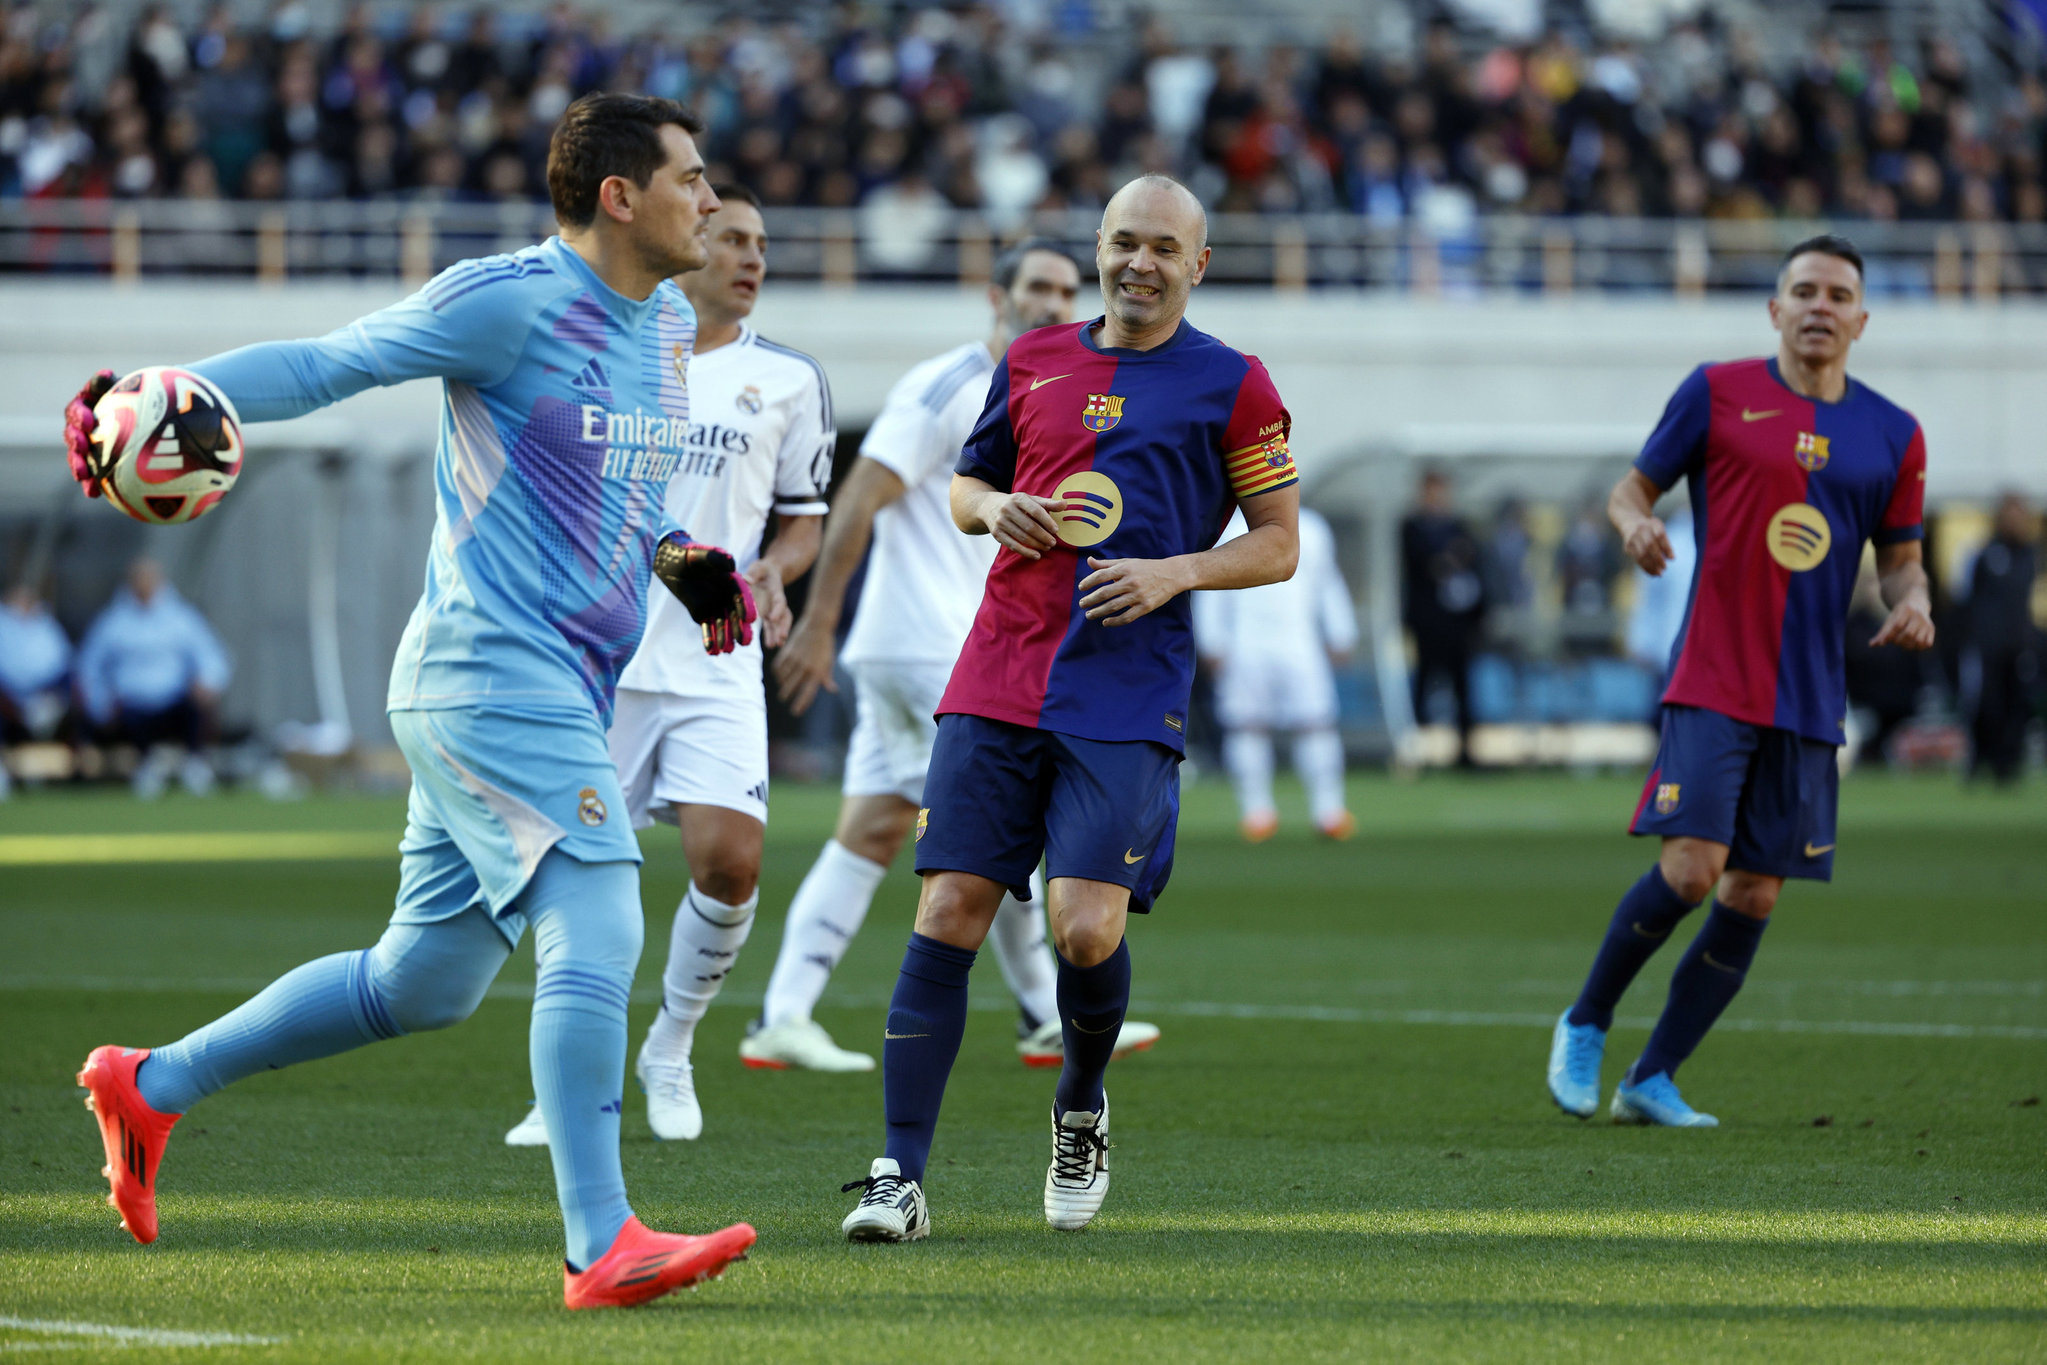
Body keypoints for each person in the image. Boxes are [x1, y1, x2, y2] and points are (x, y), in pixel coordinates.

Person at [63, 93, 760, 1309]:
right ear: (618, 195)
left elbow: (623, 493)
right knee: (599, 900)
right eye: (692, 179)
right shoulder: (507, 299)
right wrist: (152, 390)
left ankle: (150, 1084)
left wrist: (693, 571)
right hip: (492, 669)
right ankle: (601, 1239)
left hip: (542, 687)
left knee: (421, 983)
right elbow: (330, 364)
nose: (711, 201)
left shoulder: (657, 328)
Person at [838, 175, 1299, 1242]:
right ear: (1100, 248)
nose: (1140, 263)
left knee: (1083, 931)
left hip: (1126, 693)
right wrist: (996, 507)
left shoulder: (1233, 382)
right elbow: (963, 488)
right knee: (949, 907)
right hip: (997, 673)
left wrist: (1174, 574)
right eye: (1123, 243)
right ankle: (897, 1176)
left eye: (1162, 249)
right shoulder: (1033, 358)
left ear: (1199, 265)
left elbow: (1278, 544)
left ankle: (1080, 1105)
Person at [1547, 235, 1934, 1128]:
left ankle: (1653, 1077)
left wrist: (1914, 603)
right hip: (1714, 673)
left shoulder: (1893, 434)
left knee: (1753, 892)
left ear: (1860, 320)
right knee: (1689, 871)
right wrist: (1634, 527)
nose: (1818, 307)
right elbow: (1628, 491)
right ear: (1774, 308)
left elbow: (1903, 563)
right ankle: (1585, 1018)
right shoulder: (1717, 393)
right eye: (1802, 290)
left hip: (1807, 694)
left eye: (1837, 295)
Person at [761, 238, 1160, 1072]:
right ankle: (1044, 1013)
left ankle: (782, 1015)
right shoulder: (950, 382)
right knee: (992, 832)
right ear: (996, 296)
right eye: (1036, 288)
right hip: (929, 647)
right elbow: (861, 496)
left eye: (1063, 289)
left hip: (927, 645)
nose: (1052, 303)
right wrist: (820, 618)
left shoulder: (1049, 386)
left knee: (870, 829)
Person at [501, 182, 832, 1147]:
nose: (751, 255)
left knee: (732, 865)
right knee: (573, 877)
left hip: (718, 651)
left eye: (763, 242)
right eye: (731, 236)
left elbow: (803, 516)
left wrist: (777, 566)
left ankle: (671, 1049)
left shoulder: (792, 380)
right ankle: (562, 1089)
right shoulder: (609, 353)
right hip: (599, 648)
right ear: (687, 244)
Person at [1194, 505, 1358, 841]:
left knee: (1317, 724)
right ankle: (1257, 814)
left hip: (1300, 642)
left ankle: (1328, 811)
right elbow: (1210, 585)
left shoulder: (1310, 526)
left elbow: (1326, 581)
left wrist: (1341, 631)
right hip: (1245, 644)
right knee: (1246, 727)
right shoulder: (1228, 528)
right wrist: (1212, 641)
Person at [74, 558, 230, 797]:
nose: (144, 585)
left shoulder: (180, 616)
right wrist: (100, 701)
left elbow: (211, 654)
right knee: (129, 717)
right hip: (132, 704)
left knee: (195, 709)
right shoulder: (114, 620)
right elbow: (89, 664)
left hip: (174, 699)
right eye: (139, 579)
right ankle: (145, 767)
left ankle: (195, 765)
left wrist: (207, 682)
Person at [1400, 469, 1486, 767]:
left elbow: (1471, 559)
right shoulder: (1412, 527)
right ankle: (1416, 753)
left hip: (1456, 625)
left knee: (1462, 687)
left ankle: (1465, 753)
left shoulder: (1458, 526)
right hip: (1427, 624)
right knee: (1423, 686)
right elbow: (1423, 564)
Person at [1962, 492, 2038, 784]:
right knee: (1984, 704)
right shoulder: (1983, 555)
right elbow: (1966, 599)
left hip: (2018, 646)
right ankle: (1979, 760)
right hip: (1986, 646)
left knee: (2016, 705)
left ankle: (2008, 764)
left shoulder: (2029, 555)